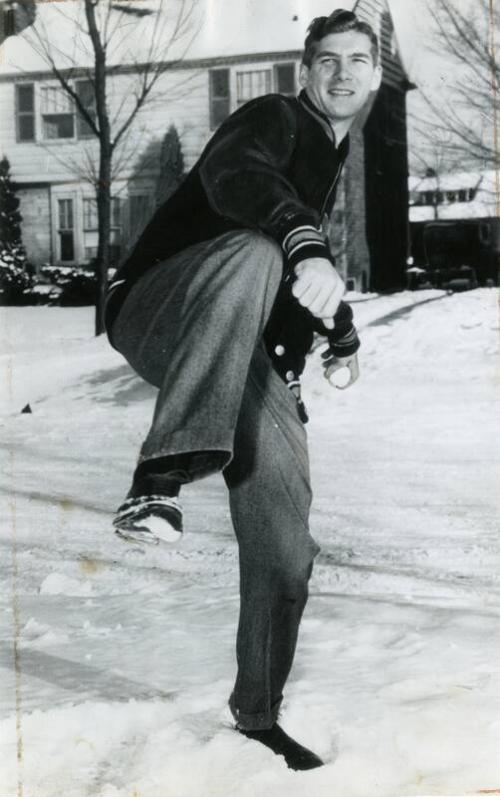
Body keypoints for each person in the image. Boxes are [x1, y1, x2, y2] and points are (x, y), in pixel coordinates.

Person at [105, 9, 382, 771]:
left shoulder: (334, 150)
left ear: (376, 75)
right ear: (304, 72)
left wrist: (340, 327)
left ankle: (257, 712)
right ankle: (157, 478)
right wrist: (302, 240)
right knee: (260, 250)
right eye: (327, 60)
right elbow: (240, 183)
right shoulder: (272, 120)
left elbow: (295, 269)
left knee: (286, 537)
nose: (342, 73)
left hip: (239, 347)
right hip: (160, 302)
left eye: (359, 60)